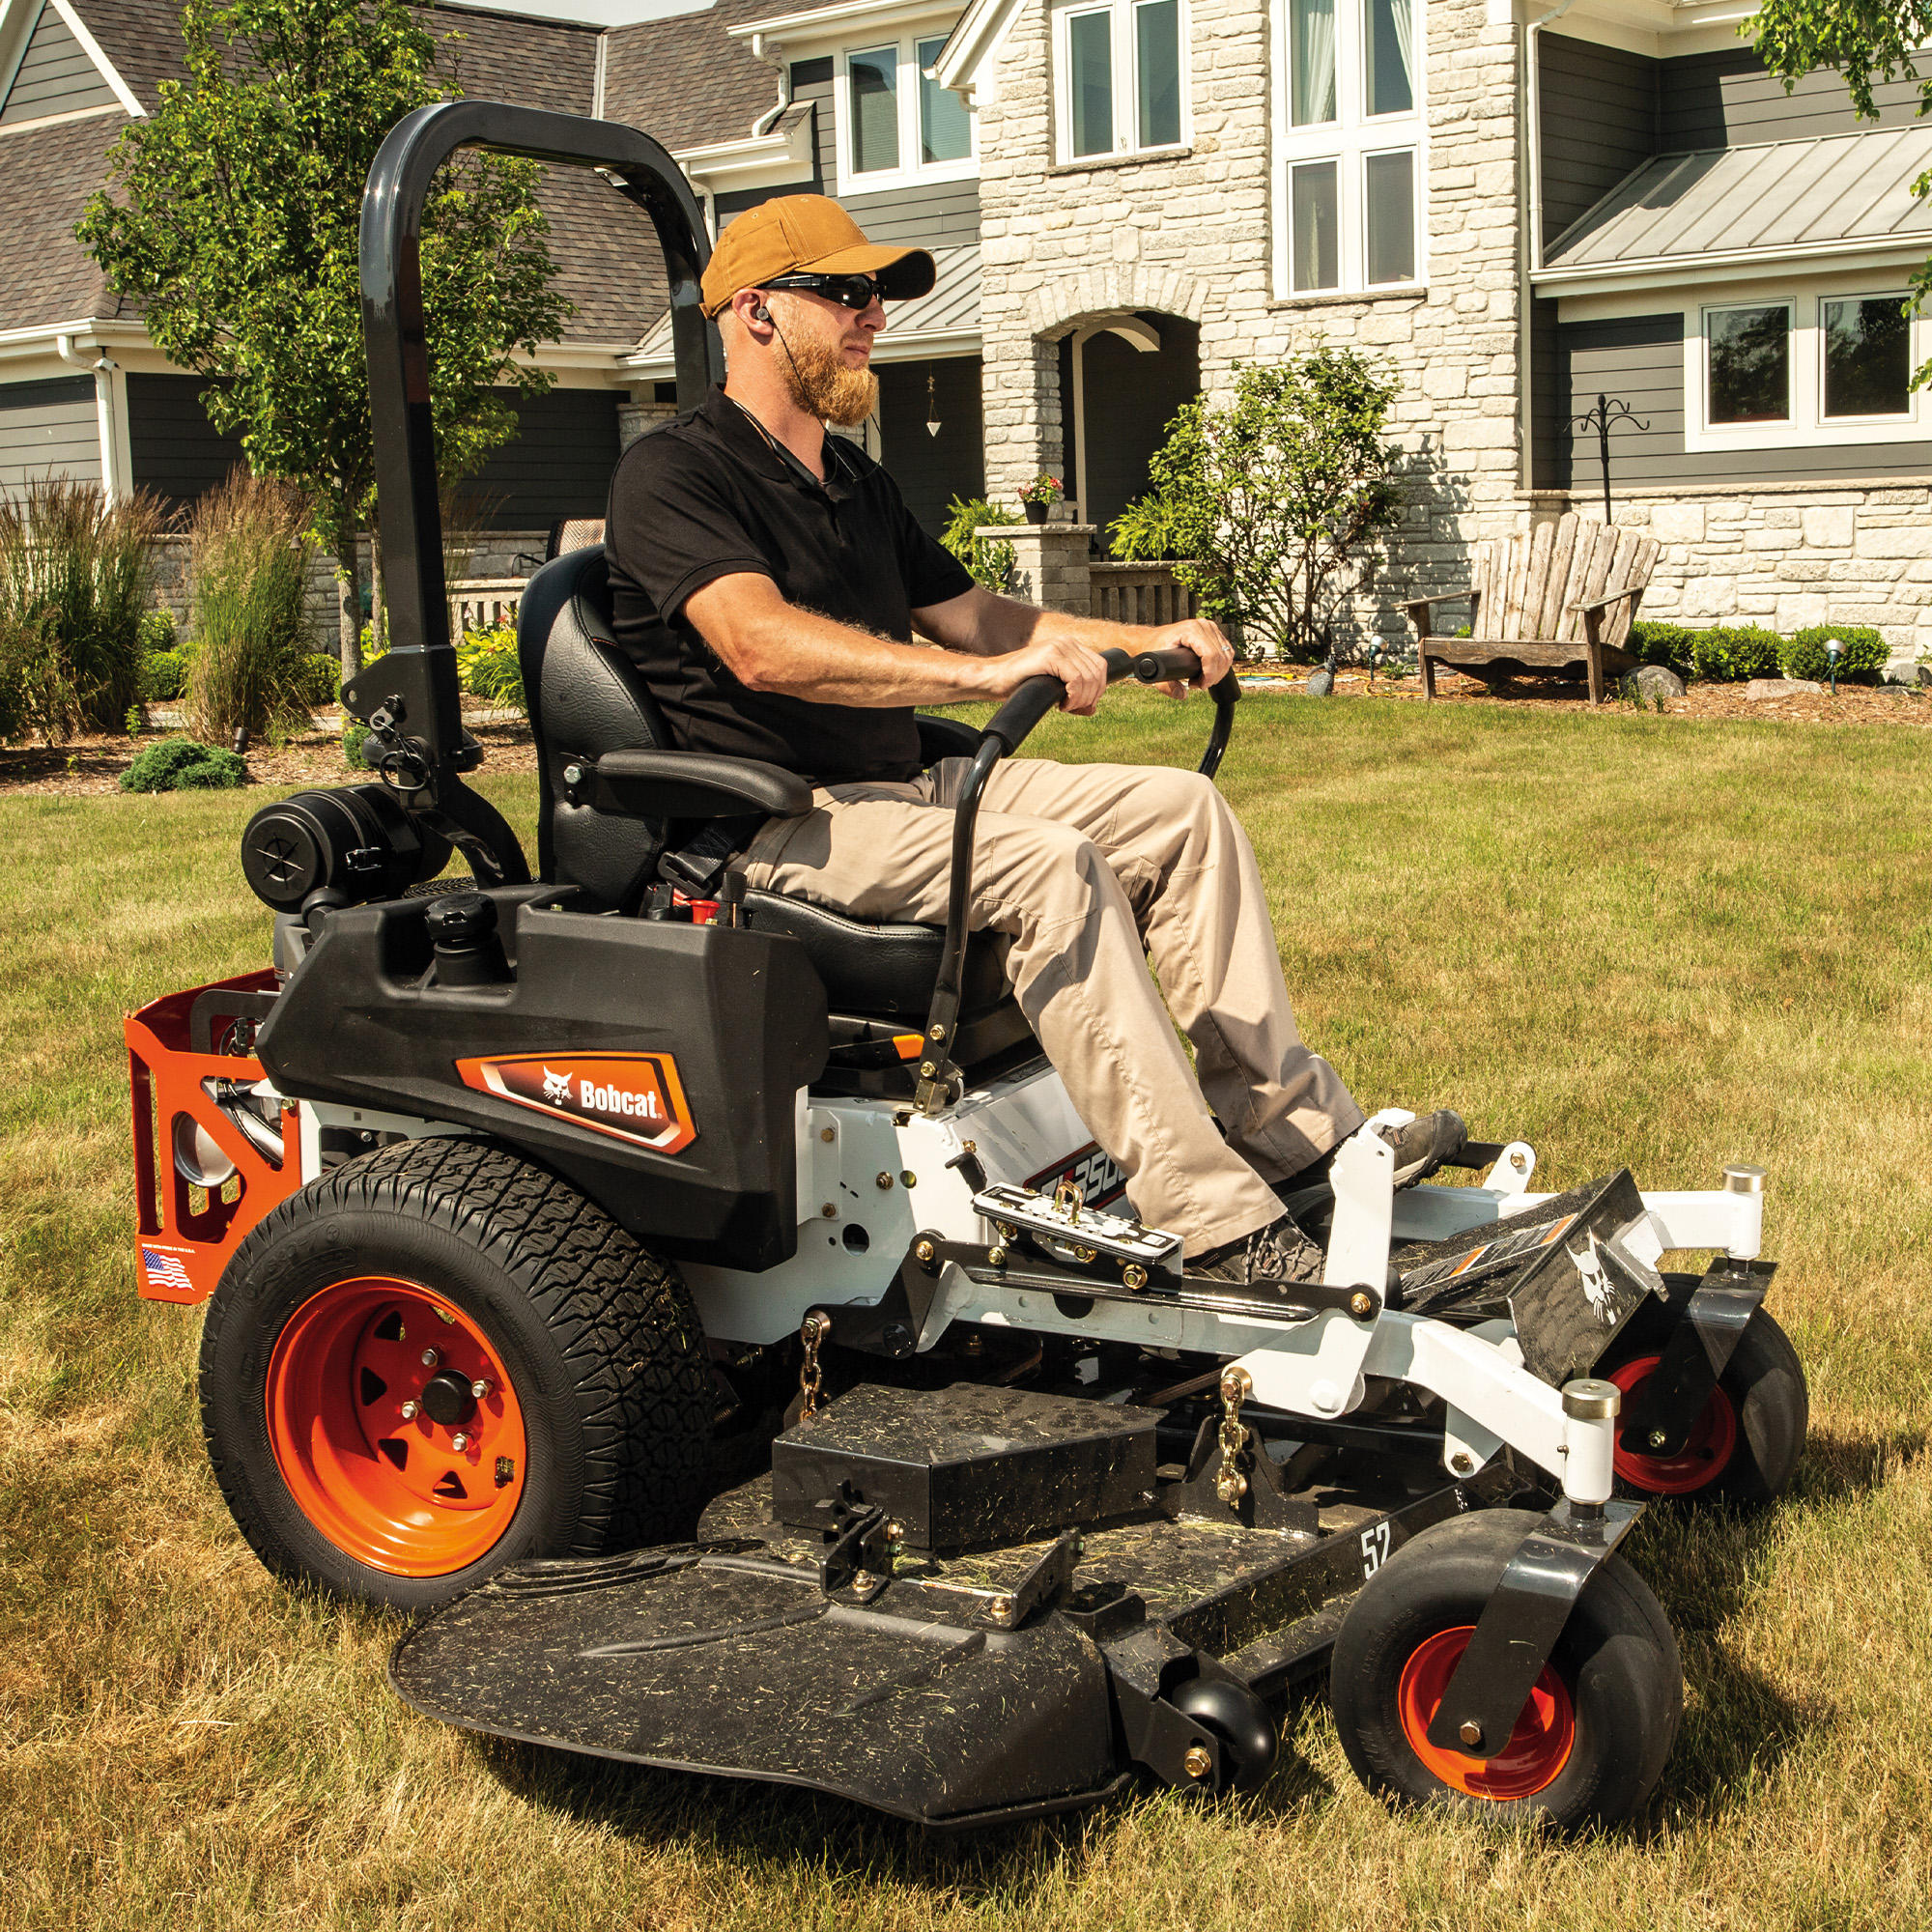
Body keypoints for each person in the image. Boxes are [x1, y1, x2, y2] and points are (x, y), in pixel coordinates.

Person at [604, 195, 1462, 1291]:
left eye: (879, 294)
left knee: (1180, 816)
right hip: (781, 823)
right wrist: (979, 678)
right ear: (755, 311)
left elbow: (988, 620)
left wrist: (1144, 637)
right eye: (847, 292)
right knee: (1047, 868)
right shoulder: (674, 472)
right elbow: (758, 644)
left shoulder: (851, 481)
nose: (874, 315)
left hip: (905, 784)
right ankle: (1212, 1225)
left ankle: (1292, 1139)